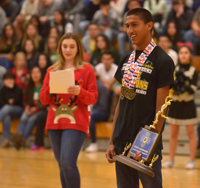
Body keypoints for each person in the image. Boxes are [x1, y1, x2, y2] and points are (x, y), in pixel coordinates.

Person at [105, 8, 174, 188]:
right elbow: (121, 101)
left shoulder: (163, 61)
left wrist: (145, 147)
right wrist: (112, 140)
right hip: (122, 141)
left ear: (149, 25)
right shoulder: (125, 59)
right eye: (127, 26)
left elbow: (161, 111)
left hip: (145, 145)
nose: (130, 30)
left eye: (134, 25)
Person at [40, 33, 98, 188]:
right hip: (54, 122)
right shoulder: (52, 70)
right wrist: (51, 88)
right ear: (60, 49)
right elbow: (43, 99)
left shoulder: (87, 70)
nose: (68, 50)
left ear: (78, 49)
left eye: (72, 46)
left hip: (76, 121)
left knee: (67, 163)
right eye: (65, 46)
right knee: (62, 166)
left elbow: (93, 98)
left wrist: (80, 92)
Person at [162, 45, 198, 169]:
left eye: (186, 52)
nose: (183, 55)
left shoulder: (193, 71)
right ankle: (171, 160)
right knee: (173, 134)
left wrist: (185, 82)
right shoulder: (174, 69)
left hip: (188, 105)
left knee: (191, 134)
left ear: (190, 56)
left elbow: (193, 90)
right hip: (175, 105)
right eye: (181, 52)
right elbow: (169, 87)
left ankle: (192, 160)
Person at [11, 66, 46, 150]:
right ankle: (18, 139)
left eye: (37, 72)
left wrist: (36, 109)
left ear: (41, 74)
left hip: (40, 110)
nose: (35, 75)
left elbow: (47, 102)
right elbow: (24, 100)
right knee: (23, 117)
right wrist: (26, 107)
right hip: (30, 108)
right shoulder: (29, 86)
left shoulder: (45, 86)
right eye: (33, 73)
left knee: (31, 120)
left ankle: (22, 140)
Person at [0, 72, 23, 148]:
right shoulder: (2, 90)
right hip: (7, 112)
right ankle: (6, 141)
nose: (9, 81)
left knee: (7, 107)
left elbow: (17, 101)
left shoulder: (18, 88)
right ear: (4, 81)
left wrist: (11, 102)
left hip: (19, 111)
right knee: (6, 117)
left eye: (11, 79)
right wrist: (10, 101)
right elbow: (2, 104)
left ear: (14, 80)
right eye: (7, 79)